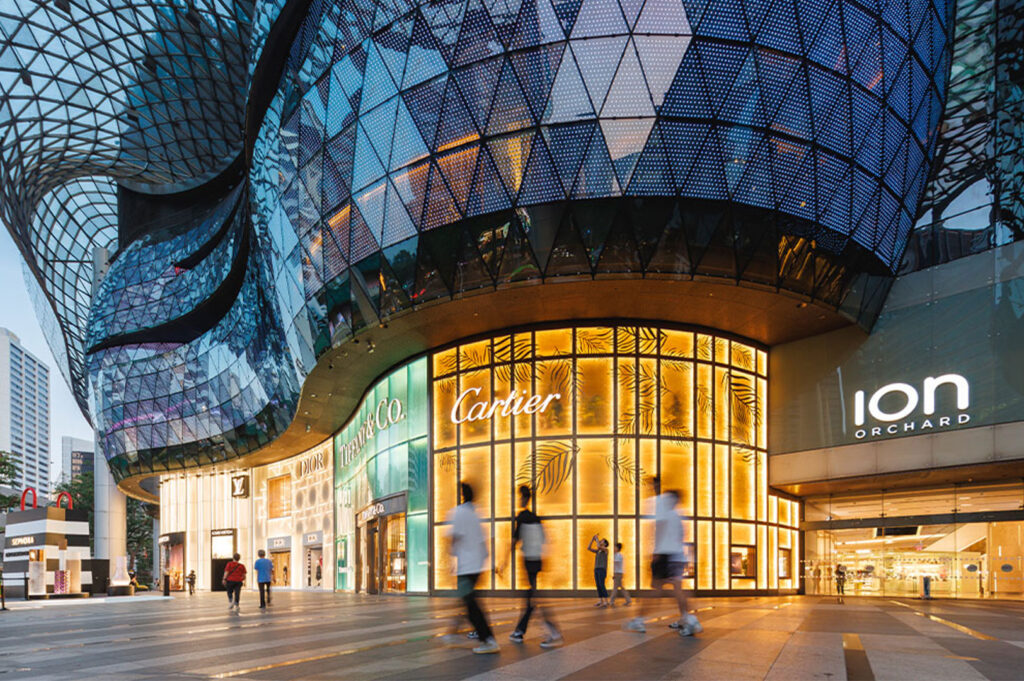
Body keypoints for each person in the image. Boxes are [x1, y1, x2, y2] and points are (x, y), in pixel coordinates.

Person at [626, 478, 702, 637]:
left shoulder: (664, 509)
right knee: (677, 589)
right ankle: (688, 618)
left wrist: (655, 552)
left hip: (665, 554)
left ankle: (639, 619)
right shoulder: (680, 514)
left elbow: (659, 528)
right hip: (678, 556)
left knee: (656, 589)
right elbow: (682, 537)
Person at [499, 485, 563, 648]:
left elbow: (514, 542)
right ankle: (519, 631)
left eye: (520, 497)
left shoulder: (522, 517)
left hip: (528, 561)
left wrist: (504, 562)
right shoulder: (536, 518)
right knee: (530, 596)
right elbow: (545, 540)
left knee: (534, 597)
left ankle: (554, 632)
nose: (519, 500)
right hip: (537, 561)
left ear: (523, 498)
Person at [442, 481, 499, 654]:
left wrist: (451, 556)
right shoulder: (477, 513)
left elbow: (454, 537)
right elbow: (484, 541)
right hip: (478, 565)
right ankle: (452, 632)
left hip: (466, 566)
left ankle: (488, 639)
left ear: (462, 495)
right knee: (467, 600)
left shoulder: (458, 512)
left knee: (471, 604)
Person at [587, 534, 610, 606]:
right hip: (596, 569)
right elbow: (588, 548)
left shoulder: (606, 550)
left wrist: (596, 539)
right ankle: (600, 600)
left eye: (602, 540)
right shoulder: (598, 551)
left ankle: (606, 601)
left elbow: (599, 546)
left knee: (602, 584)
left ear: (605, 544)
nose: (600, 540)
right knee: (598, 585)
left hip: (602, 569)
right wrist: (592, 539)